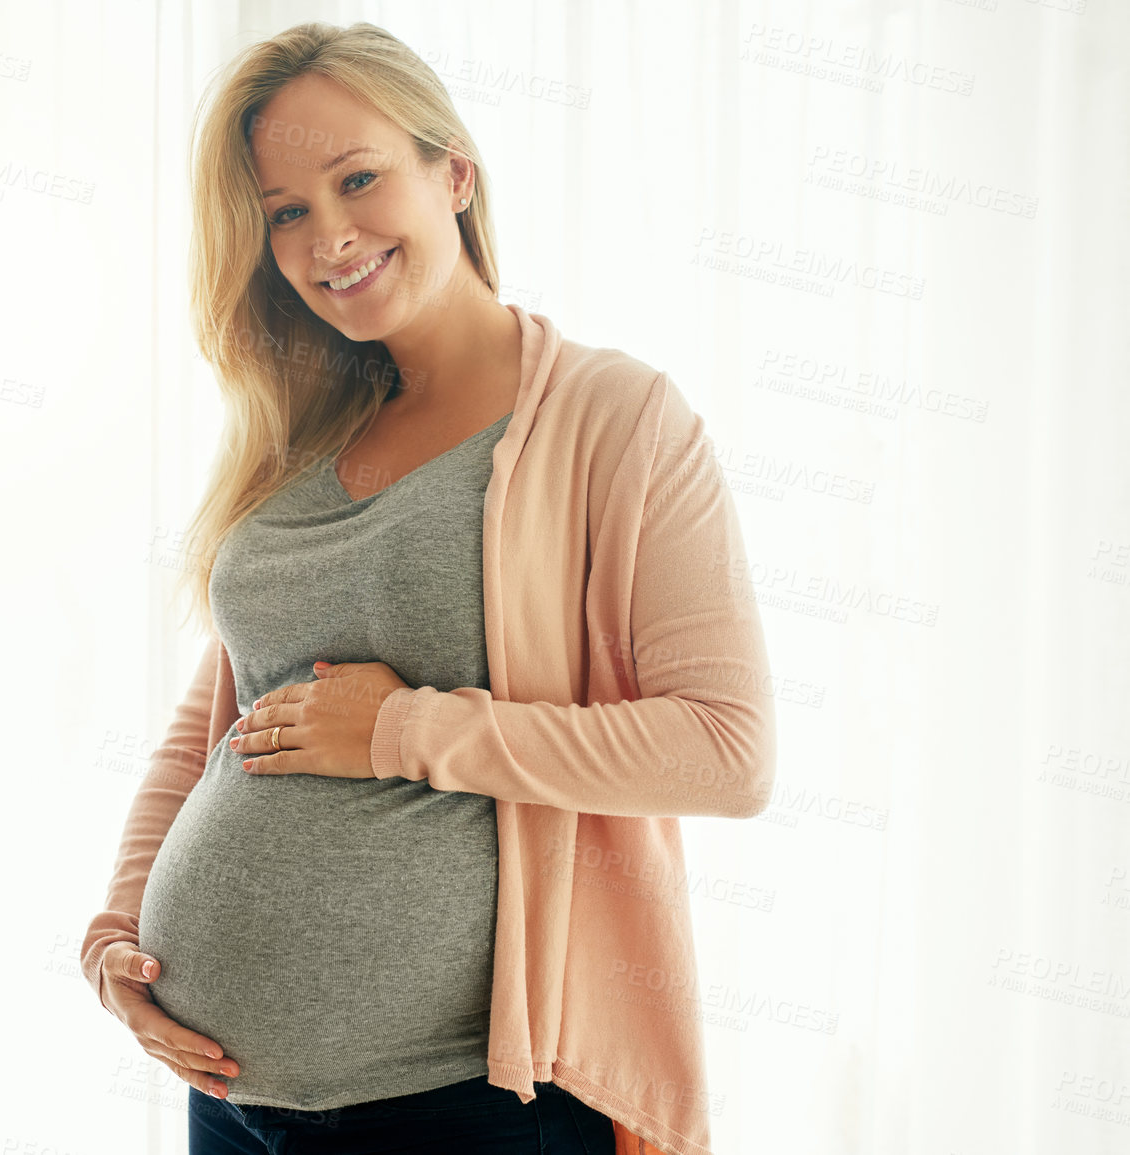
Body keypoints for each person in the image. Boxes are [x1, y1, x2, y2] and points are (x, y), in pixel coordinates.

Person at [83, 20, 776, 1155]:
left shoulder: (615, 420)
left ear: (452, 172)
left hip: (458, 1107)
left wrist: (406, 730)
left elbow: (725, 751)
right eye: (286, 212)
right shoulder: (300, 433)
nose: (328, 237)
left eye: (358, 179)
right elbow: (221, 725)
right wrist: (117, 935)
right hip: (229, 1096)